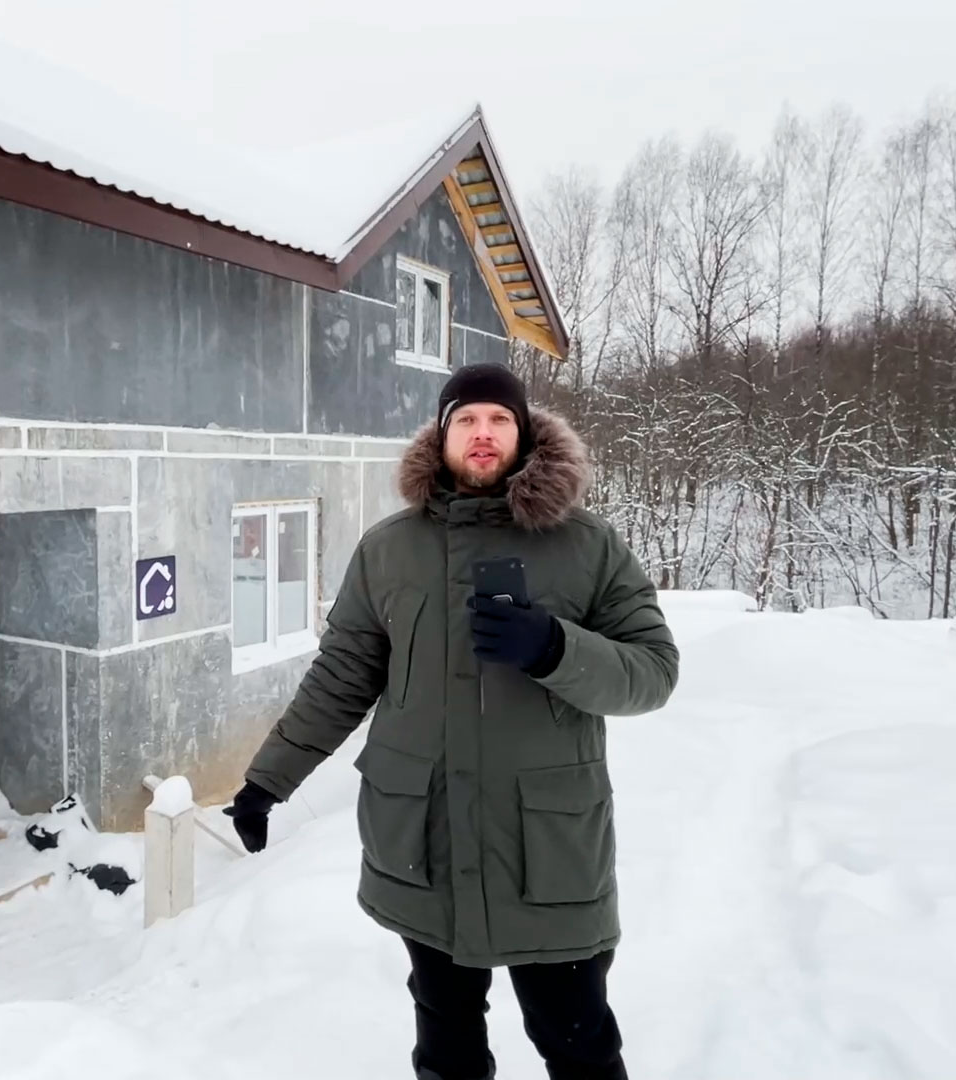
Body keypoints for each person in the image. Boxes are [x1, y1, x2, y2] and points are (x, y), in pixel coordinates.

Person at [225, 363, 678, 1080]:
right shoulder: (388, 549)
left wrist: (556, 647)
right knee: (445, 1041)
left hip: (548, 853)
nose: (482, 433)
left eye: (499, 418)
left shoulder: (587, 546)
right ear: (440, 438)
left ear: (525, 432)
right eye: (465, 419)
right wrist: (266, 781)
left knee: (577, 1039)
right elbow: (342, 678)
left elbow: (654, 672)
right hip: (424, 845)